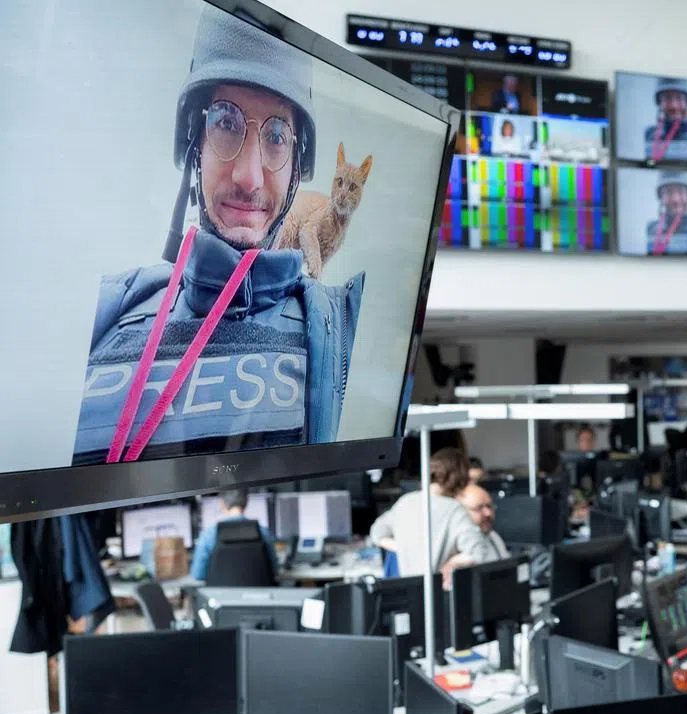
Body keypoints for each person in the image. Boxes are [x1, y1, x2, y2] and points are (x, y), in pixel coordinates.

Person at [72, 7, 363, 466]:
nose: (249, 177)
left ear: (295, 168)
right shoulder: (105, 309)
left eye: (277, 137)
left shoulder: (340, 324)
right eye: (226, 122)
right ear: (195, 146)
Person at [369, 448, 496, 580]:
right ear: (460, 477)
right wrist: (453, 562)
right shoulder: (453, 509)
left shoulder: (405, 502)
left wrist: (404, 548)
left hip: (410, 589)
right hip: (438, 590)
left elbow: (377, 533)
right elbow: (478, 553)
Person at [189, 489, 277, 581]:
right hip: (258, 594)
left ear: (222, 504)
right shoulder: (264, 533)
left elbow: (198, 574)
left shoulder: (208, 535)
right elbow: (274, 571)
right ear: (246, 503)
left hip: (219, 594)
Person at [642, 77, 687, 165]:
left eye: (679, 98)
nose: (674, 106)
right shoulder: (647, 135)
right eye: (667, 98)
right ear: (659, 103)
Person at [645, 172, 687, 256]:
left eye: (681, 191)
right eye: (668, 192)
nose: (676, 200)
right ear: (661, 197)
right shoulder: (650, 228)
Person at [457, 483, 509, 560]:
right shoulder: (454, 546)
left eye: (489, 506)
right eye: (479, 508)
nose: (488, 513)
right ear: (460, 512)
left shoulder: (494, 537)